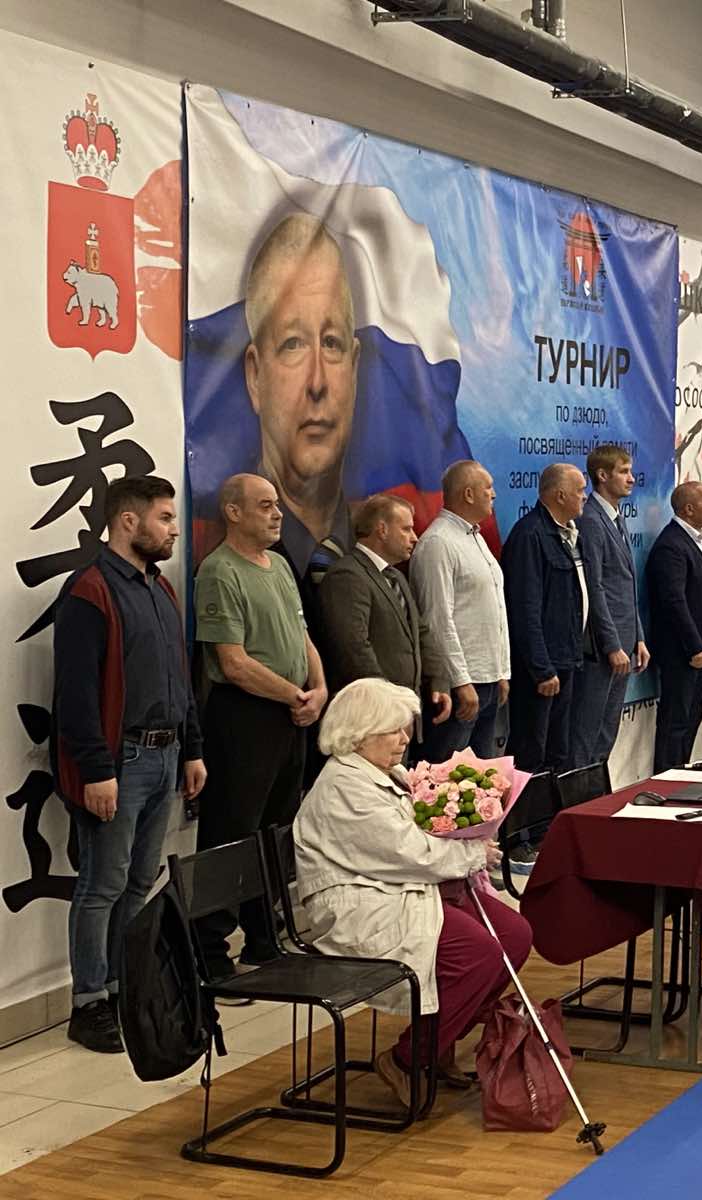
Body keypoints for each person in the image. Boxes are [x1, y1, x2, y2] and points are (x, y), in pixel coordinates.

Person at [294, 678, 530, 1101]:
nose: (405, 739)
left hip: (400, 888)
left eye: (405, 728)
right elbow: (408, 852)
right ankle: (407, 1058)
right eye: (394, 730)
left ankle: (440, 1040)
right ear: (358, 734)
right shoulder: (343, 786)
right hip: (362, 903)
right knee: (477, 953)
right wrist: (472, 853)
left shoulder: (386, 773)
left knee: (514, 935)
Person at [52, 476, 206, 1053]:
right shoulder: (90, 591)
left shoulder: (160, 589)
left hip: (165, 755)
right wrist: (97, 770)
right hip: (122, 760)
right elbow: (76, 694)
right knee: (103, 884)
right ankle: (88, 1002)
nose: (173, 530)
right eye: (165, 518)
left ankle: (121, 987)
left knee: (139, 881)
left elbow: (179, 679)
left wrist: (192, 748)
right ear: (127, 522)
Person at [192, 473, 327, 980]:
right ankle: (209, 952)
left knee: (275, 831)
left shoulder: (281, 566)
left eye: (277, 505)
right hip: (244, 717)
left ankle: (263, 938)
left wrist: (320, 689)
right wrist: (294, 695)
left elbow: (302, 635)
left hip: (291, 716)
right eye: (265, 505)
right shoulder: (219, 571)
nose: (277, 514)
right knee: (231, 834)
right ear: (233, 512)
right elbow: (233, 662)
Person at [244, 215, 359, 592]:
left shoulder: (378, 546)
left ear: (354, 369)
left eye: (331, 343)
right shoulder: (222, 553)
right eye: (293, 344)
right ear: (255, 376)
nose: (317, 382)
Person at [317, 494, 451, 728]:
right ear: (382, 529)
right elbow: (354, 646)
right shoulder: (348, 575)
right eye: (406, 529)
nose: (415, 537)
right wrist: (387, 700)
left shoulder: (395, 576)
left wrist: (439, 680)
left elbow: (420, 632)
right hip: (371, 716)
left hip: (402, 713)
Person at [411, 460, 510, 762]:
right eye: (488, 488)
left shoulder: (474, 537)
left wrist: (501, 671)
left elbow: (494, 610)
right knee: (446, 778)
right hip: (461, 686)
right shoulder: (438, 543)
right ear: (468, 494)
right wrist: (460, 681)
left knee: (482, 779)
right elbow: (437, 620)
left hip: (487, 679)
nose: (494, 494)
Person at [503, 463, 590, 773]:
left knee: (558, 751)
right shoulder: (530, 535)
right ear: (560, 495)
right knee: (531, 752)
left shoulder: (570, 534)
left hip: (566, 659)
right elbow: (525, 609)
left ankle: (553, 806)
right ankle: (528, 807)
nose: (585, 496)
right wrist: (541, 669)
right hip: (541, 669)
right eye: (580, 491)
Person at [570, 445, 648, 770]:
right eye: (624, 472)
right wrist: (613, 644)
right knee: (588, 732)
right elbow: (596, 587)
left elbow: (625, 585)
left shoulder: (615, 518)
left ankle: (597, 792)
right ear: (602, 475)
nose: (631, 479)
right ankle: (581, 794)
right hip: (603, 647)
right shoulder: (591, 519)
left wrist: (638, 638)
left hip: (626, 640)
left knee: (607, 731)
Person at [646, 481, 702, 770]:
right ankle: (667, 778)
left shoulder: (696, 540)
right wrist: (695, 645)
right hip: (682, 653)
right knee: (675, 722)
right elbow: (674, 602)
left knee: (692, 718)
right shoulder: (672, 545)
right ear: (689, 509)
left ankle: (682, 774)